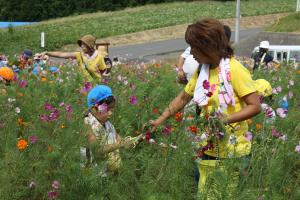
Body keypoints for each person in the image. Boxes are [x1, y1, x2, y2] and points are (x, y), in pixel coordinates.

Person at [150, 19, 261, 197]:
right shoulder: (203, 69)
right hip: (207, 147)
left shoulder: (235, 69)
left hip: (234, 151)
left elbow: (255, 106)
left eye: (194, 47)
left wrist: (224, 120)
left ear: (208, 46)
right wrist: (159, 120)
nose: (190, 52)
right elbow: (183, 98)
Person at [81, 85, 134, 176]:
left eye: (112, 109)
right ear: (94, 108)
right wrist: (120, 144)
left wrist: (128, 142)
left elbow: (118, 138)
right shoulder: (87, 125)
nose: (110, 113)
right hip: (95, 176)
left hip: (110, 172)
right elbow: (97, 150)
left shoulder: (108, 124)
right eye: (107, 109)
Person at [43, 35, 108, 83]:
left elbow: (103, 71)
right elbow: (62, 54)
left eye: (84, 44)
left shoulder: (99, 57)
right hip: (86, 85)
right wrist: (47, 53)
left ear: (90, 46)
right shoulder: (79, 55)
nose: (82, 46)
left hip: (97, 85)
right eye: (81, 44)